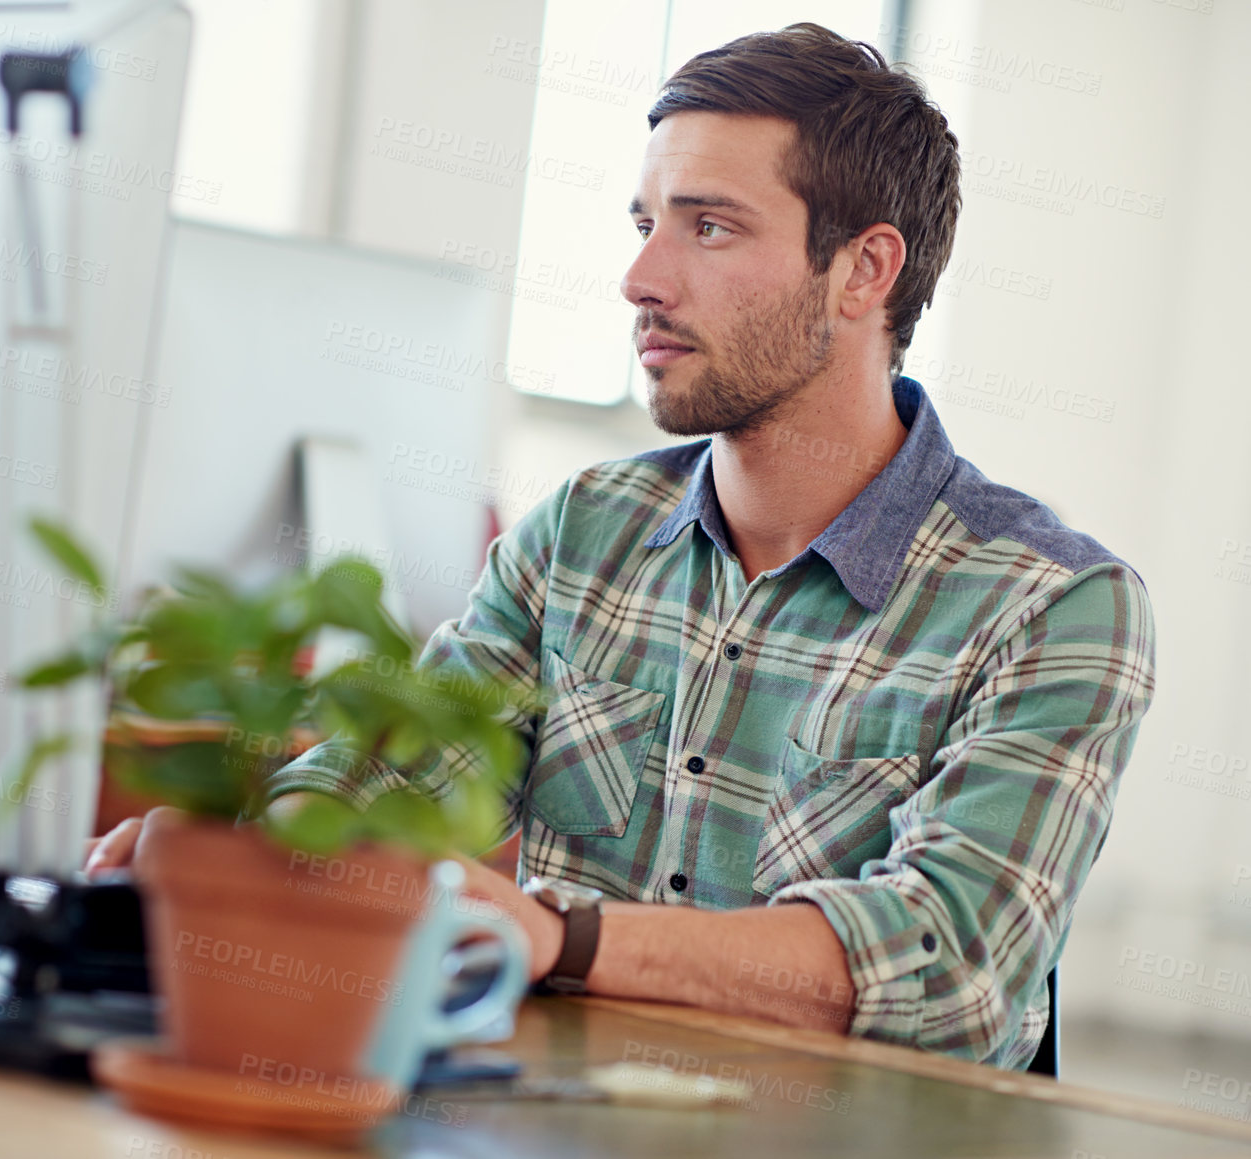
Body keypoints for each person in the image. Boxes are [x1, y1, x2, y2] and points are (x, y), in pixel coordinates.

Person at [89, 23, 1154, 1069]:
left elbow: (951, 967)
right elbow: (388, 784)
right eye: (643, 221)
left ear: (866, 270)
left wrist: (567, 934)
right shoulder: (582, 535)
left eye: (711, 227)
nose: (641, 277)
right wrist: (254, 847)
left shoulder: (1054, 604)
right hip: (561, 1118)